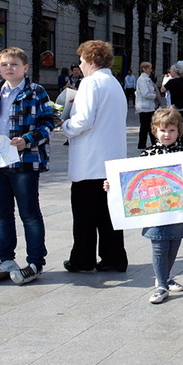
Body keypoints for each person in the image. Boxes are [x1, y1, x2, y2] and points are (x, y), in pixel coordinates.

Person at [0, 47, 53, 285]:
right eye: (4, 64)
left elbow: (49, 122)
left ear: (25, 68)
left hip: (24, 159)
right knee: (2, 214)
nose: (9, 68)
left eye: (14, 64)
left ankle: (35, 261)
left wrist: (26, 141)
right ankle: (5, 258)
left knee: (29, 213)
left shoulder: (36, 91)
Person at [107, 108, 183, 304]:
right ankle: (161, 285)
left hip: (177, 210)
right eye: (162, 130)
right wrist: (112, 185)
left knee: (174, 241)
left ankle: (166, 278)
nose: (167, 134)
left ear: (180, 131)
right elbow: (129, 182)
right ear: (154, 131)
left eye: (171, 130)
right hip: (154, 211)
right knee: (159, 244)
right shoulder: (148, 154)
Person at [62, 40, 129, 273]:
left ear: (91, 60)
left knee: (84, 215)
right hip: (112, 158)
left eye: (81, 60)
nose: (79, 65)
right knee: (108, 215)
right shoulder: (114, 83)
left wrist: (65, 124)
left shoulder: (90, 83)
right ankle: (114, 257)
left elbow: (83, 120)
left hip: (90, 161)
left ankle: (82, 258)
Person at [160, 64, 183, 138]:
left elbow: (162, 90)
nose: (171, 72)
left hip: (175, 106)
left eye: (172, 71)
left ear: (175, 72)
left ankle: (176, 139)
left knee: (175, 124)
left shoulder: (171, 82)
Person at [135, 62, 158, 149]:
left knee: (148, 126)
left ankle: (150, 143)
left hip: (148, 106)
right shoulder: (142, 80)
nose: (151, 70)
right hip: (145, 107)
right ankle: (143, 144)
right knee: (146, 126)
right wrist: (154, 96)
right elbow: (145, 93)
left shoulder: (146, 79)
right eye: (149, 68)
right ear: (144, 69)